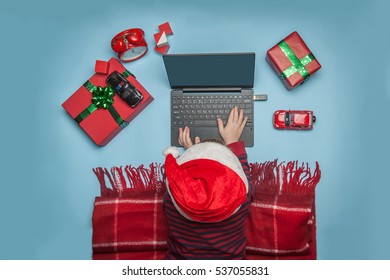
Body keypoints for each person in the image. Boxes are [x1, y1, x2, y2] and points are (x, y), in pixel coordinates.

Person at [162, 107, 251, 259]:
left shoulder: (171, 200)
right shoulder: (242, 197)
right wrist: (233, 141)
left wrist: (192, 155)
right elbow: (242, 174)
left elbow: (176, 179)